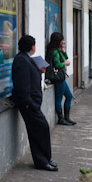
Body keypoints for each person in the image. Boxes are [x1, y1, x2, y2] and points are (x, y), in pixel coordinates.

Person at [11, 35, 58, 171]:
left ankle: (45, 159)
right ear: (32, 47)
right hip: (29, 104)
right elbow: (22, 84)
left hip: (32, 103)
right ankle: (42, 161)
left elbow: (29, 77)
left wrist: (39, 71)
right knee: (40, 129)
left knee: (39, 130)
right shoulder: (22, 60)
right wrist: (27, 103)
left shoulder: (26, 59)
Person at [46, 32, 75, 126]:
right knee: (59, 99)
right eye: (61, 40)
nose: (63, 42)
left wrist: (63, 49)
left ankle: (66, 117)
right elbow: (57, 64)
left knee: (69, 96)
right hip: (58, 78)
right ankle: (61, 118)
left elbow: (66, 57)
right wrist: (65, 64)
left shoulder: (57, 50)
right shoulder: (54, 52)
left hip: (61, 77)